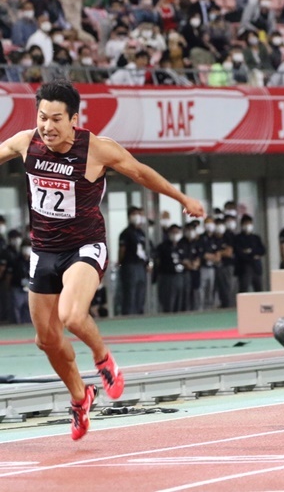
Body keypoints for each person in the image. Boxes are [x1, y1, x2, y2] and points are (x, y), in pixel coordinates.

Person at [0, 80, 204, 440]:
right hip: (44, 250)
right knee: (45, 340)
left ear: (74, 120)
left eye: (56, 119)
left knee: (72, 315)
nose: (47, 126)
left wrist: (182, 199)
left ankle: (102, 358)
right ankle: (81, 398)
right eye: (42, 117)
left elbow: (141, 172)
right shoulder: (25, 142)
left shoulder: (97, 149)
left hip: (85, 246)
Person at [117, 206, 150, 315]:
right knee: (130, 292)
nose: (138, 216)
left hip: (140, 265)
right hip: (129, 264)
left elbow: (145, 250)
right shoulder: (126, 233)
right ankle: (128, 314)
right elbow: (122, 250)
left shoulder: (141, 233)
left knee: (140, 292)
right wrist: (120, 262)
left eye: (139, 214)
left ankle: (139, 313)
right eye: (135, 214)